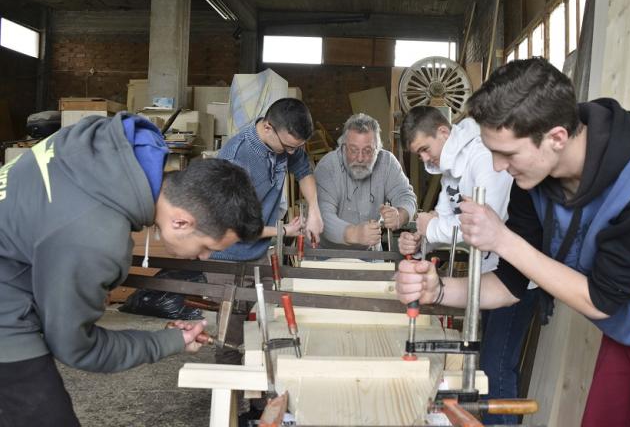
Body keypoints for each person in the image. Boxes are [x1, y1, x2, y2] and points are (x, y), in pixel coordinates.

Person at [396, 57, 630, 427]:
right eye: (492, 151)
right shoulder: (532, 182)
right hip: (629, 317)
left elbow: (601, 300)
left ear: (557, 138)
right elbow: (512, 285)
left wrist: (504, 239)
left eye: (507, 153)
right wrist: (438, 290)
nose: (497, 166)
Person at [0, 113, 264, 427]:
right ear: (180, 221)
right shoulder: (94, 237)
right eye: (208, 247)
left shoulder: (106, 145)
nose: (201, 257)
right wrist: (170, 343)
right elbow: (77, 348)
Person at [399, 105, 535, 424]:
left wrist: (429, 228)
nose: (424, 159)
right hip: (485, 277)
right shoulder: (451, 167)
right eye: (418, 154)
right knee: (483, 365)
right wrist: (420, 238)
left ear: (444, 133)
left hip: (514, 278)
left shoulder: (483, 157)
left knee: (495, 369)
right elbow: (442, 218)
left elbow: (487, 223)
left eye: (424, 149)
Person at [210, 97, 323, 261]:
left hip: (258, 252)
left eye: (297, 147)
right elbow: (232, 227)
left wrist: (314, 210)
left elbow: (303, 170)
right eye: (289, 147)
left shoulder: (284, 142)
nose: (292, 153)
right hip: (225, 257)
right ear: (267, 127)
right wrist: (283, 231)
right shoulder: (235, 159)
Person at [314, 113, 416, 250]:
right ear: (343, 148)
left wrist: (400, 215)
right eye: (353, 150)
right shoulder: (327, 166)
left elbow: (405, 196)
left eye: (368, 151)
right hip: (325, 254)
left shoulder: (387, 162)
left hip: (370, 255)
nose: (360, 158)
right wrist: (354, 233)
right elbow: (322, 216)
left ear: (378, 149)